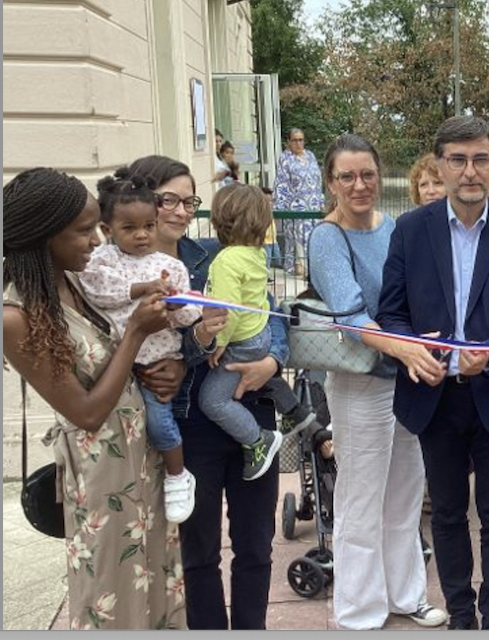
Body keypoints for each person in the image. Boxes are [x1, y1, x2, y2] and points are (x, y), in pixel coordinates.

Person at [377, 115, 489, 630]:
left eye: (480, 159)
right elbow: (391, 314)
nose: (470, 171)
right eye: (458, 160)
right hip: (435, 395)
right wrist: (410, 351)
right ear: (440, 166)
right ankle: (460, 616)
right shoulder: (410, 230)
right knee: (447, 516)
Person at [3, 168, 183, 629]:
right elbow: (85, 412)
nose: (95, 241)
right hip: (102, 478)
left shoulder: (77, 282)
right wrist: (137, 333)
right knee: (114, 595)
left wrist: (171, 366)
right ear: (44, 236)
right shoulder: (17, 315)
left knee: (156, 585)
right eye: (83, 231)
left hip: (142, 462)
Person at [127, 155, 289, 629]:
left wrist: (272, 361)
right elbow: (141, 352)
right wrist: (190, 349)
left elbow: (269, 315)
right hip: (188, 426)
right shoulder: (123, 275)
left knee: (256, 546)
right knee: (198, 552)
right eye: (167, 200)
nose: (179, 211)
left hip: (250, 410)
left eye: (188, 200)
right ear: (144, 202)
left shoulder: (212, 256)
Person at [309, 132, 447, 630]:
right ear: (331, 182)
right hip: (360, 383)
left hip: (404, 377)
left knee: (407, 492)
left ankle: (406, 594)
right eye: (347, 176)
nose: (359, 184)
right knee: (360, 497)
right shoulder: (327, 236)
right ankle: (359, 609)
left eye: (367, 173)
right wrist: (407, 345)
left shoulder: (395, 228)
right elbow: (350, 315)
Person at [79, 170, 202, 524]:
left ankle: (178, 476)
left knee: (160, 426)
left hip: (154, 365)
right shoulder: (102, 260)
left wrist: (178, 307)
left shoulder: (171, 266)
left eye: (148, 226)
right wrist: (142, 289)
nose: (142, 235)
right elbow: (98, 290)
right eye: (130, 228)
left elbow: (189, 316)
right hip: (114, 362)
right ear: (107, 229)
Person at [198, 183, 320, 481]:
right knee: (255, 380)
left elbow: (227, 308)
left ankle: (257, 440)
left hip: (241, 340)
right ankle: (294, 412)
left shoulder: (226, 260)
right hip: (260, 333)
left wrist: (219, 344)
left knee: (212, 400)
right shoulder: (256, 254)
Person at [274, 127, 325, 275]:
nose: (298, 143)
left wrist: (321, 201)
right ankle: (303, 271)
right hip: (296, 209)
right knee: (300, 241)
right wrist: (280, 210)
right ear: (288, 142)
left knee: (314, 239)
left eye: (301, 140)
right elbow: (281, 184)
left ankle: (313, 271)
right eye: (295, 140)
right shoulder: (286, 159)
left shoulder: (310, 156)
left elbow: (318, 181)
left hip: (314, 207)